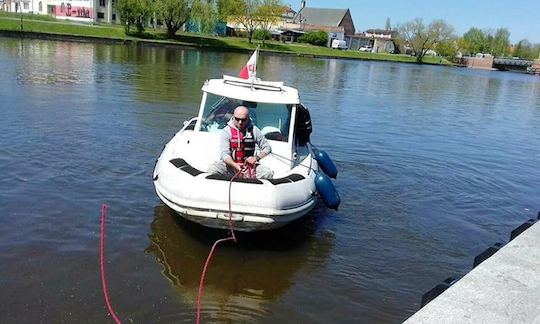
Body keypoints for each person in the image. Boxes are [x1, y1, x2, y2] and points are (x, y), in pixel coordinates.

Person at [208, 105, 273, 179]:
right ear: (233, 117)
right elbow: (224, 154)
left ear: (248, 118)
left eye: (243, 119)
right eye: (237, 119)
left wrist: (256, 158)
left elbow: (267, 148)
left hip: (249, 167)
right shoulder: (226, 131)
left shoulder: (254, 130)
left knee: (267, 173)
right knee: (212, 169)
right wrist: (235, 165)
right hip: (231, 166)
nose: (240, 122)